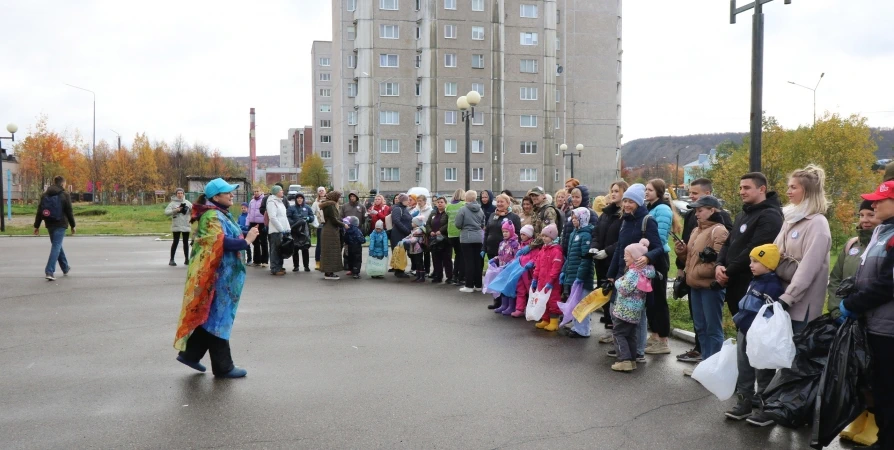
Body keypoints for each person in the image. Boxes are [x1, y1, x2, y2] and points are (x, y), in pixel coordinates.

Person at [747, 165, 832, 428]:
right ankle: (768, 403)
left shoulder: (818, 223)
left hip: (798, 305)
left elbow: (809, 267)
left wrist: (789, 296)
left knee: (793, 361)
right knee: (770, 352)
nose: (788, 191)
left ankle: (785, 410)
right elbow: (775, 253)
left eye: (793, 187)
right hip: (778, 299)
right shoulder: (790, 218)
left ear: (807, 191)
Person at [173, 177, 259, 378]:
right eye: (228, 192)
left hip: (225, 276)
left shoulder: (220, 213)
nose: (231, 195)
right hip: (217, 278)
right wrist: (246, 241)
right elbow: (219, 243)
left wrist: (246, 233)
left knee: (212, 318)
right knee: (220, 319)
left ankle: (190, 354)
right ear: (216, 196)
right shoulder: (212, 215)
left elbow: (229, 235)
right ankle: (223, 367)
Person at [838, 180, 894, 449]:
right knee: (880, 392)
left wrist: (853, 303)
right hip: (876, 324)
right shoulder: (882, 233)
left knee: (888, 393)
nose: (873, 204)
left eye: (879, 201)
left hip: (889, 329)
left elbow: (889, 283)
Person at [725, 244, 785, 422]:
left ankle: (764, 407)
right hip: (744, 331)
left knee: (763, 370)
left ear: (769, 264)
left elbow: (770, 311)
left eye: (756, 262)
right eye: (751, 261)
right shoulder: (754, 280)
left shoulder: (773, 286)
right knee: (744, 368)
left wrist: (759, 329)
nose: (751, 265)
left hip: (760, 335)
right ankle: (744, 403)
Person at [675, 178, 732, 363]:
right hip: (695, 286)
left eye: (700, 211)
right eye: (695, 211)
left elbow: (720, 262)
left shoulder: (720, 231)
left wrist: (696, 272)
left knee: (712, 328)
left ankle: (713, 366)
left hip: (709, 287)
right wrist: (682, 253)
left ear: (712, 210)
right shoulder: (696, 231)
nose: (696, 214)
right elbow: (691, 259)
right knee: (700, 327)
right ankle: (705, 364)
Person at [606, 184, 663, 363]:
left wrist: (647, 257)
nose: (627, 205)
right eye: (625, 201)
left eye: (631, 201)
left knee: (638, 312)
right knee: (619, 310)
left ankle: (638, 350)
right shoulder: (625, 220)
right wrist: (611, 273)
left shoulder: (648, 220)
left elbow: (659, 248)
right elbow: (619, 250)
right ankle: (625, 347)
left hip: (639, 275)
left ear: (639, 203)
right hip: (623, 272)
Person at [716, 173, 784, 317]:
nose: (741, 192)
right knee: (740, 328)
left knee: (751, 330)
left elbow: (755, 249)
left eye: (746, 188)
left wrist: (727, 272)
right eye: (740, 188)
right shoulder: (743, 214)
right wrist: (719, 264)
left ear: (762, 189)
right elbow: (729, 242)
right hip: (733, 281)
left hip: (752, 283)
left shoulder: (770, 215)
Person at [641, 179, 679, 356]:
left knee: (659, 299)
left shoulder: (662, 209)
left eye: (650, 190)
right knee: (651, 299)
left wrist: (646, 253)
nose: (646, 192)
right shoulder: (649, 208)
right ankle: (655, 335)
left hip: (657, 257)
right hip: (647, 256)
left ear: (659, 192)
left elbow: (660, 237)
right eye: (646, 189)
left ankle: (663, 339)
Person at [827, 199, 879, 320]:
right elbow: (836, 279)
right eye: (861, 215)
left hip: (875, 320)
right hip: (845, 315)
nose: (865, 220)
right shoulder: (851, 245)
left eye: (871, 215)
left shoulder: (886, 246)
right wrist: (836, 309)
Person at [610, 239, 656, 372]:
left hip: (625, 310)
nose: (624, 257)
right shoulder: (645, 272)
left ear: (636, 257)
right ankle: (631, 360)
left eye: (627, 255)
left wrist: (618, 281)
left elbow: (624, 289)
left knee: (618, 333)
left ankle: (623, 360)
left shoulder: (633, 273)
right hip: (635, 311)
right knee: (630, 335)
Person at [591, 181, 628, 343]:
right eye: (611, 191)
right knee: (603, 292)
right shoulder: (606, 213)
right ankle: (608, 326)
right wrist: (594, 247)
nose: (613, 194)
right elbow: (597, 233)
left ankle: (616, 330)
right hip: (601, 261)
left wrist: (607, 251)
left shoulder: (624, 215)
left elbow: (623, 240)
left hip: (615, 260)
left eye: (617, 191)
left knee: (615, 297)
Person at [561, 207, 596, 338]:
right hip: (572, 273)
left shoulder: (586, 235)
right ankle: (577, 326)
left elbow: (586, 258)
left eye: (576, 218)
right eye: (573, 218)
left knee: (583, 304)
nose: (574, 221)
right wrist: (564, 270)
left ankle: (583, 329)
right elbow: (570, 256)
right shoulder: (574, 234)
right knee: (575, 302)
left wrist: (580, 276)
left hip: (582, 276)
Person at [33, 175, 76, 280]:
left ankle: (65, 267)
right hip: (60, 223)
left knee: (57, 245)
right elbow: (69, 211)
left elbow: (40, 211)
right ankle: (49, 271)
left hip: (49, 223)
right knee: (56, 246)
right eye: (65, 183)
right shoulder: (65, 195)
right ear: (62, 183)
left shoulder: (45, 195)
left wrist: (37, 226)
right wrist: (73, 225)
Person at [483, 194, 521, 306]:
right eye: (497, 202)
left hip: (507, 252)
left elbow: (517, 233)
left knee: (504, 277)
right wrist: (484, 247)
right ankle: (496, 300)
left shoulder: (513, 217)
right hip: (493, 250)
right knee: (495, 277)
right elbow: (487, 232)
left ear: (508, 203)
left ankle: (506, 303)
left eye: (502, 202)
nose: (499, 204)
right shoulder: (492, 215)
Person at [532, 224, 564, 331]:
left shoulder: (556, 251)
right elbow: (538, 266)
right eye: (543, 236)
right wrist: (535, 279)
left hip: (552, 283)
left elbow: (556, 268)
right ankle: (545, 319)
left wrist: (551, 281)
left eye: (546, 236)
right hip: (541, 281)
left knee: (552, 301)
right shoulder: (543, 250)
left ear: (553, 237)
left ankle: (554, 321)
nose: (544, 238)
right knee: (542, 301)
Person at [455, 190, 485, 293]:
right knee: (477, 262)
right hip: (478, 237)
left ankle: (469, 285)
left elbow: (458, 224)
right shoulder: (480, 210)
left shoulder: (462, 209)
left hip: (466, 237)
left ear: (466, 198)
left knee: (469, 262)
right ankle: (478, 284)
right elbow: (482, 223)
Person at [510, 225, 539, 317]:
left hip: (529, 273)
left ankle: (533, 310)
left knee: (531, 291)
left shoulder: (533, 247)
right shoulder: (521, 245)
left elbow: (537, 257)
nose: (522, 236)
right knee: (520, 290)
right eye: (521, 234)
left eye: (524, 234)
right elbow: (518, 257)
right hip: (520, 272)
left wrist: (531, 263)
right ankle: (519, 309)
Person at [493, 219, 521, 314]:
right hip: (502, 269)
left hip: (510, 269)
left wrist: (510, 264)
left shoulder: (515, 244)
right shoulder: (502, 243)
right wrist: (496, 259)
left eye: (506, 231)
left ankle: (511, 306)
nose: (504, 234)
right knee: (503, 287)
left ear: (511, 231)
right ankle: (504, 305)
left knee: (510, 288)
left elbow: (517, 257)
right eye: (503, 232)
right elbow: (501, 255)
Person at [561, 186, 598, 256]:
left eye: (577, 197)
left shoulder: (590, 214)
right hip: (568, 253)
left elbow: (594, 234)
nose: (574, 199)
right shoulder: (570, 213)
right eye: (573, 197)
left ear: (583, 198)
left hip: (581, 253)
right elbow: (565, 234)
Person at [427, 197, 453, 284]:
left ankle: (449, 277)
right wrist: (430, 231)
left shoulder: (447, 213)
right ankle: (438, 276)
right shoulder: (433, 213)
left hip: (444, 239)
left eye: (441, 202)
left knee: (446, 259)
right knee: (436, 259)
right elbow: (428, 223)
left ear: (445, 203)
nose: (439, 204)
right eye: (438, 202)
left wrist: (440, 231)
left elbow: (449, 223)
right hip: (434, 240)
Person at [319, 191, 344, 280]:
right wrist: (344, 224)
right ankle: (329, 273)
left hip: (327, 230)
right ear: (335, 197)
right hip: (330, 231)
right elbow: (334, 219)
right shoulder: (331, 205)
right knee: (331, 252)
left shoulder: (326, 204)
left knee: (328, 251)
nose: (340, 199)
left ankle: (328, 272)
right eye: (339, 197)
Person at [164, 188, 192, 266]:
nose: (180, 195)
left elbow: (194, 212)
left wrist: (190, 210)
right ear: (176, 194)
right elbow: (166, 212)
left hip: (186, 224)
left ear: (184, 194)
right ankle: (172, 259)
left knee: (186, 242)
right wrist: (175, 210)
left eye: (181, 193)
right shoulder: (172, 203)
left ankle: (187, 259)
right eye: (178, 193)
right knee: (175, 242)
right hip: (176, 225)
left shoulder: (188, 203)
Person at [265, 185, 289, 276]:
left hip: (282, 230)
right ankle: (275, 268)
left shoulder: (280, 202)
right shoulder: (272, 202)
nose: (282, 192)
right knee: (275, 250)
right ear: (276, 192)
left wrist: (287, 228)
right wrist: (280, 229)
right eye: (281, 190)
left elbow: (284, 217)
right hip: (275, 230)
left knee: (280, 249)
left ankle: (280, 266)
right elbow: (273, 218)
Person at [287, 193, 314, 272]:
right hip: (295, 231)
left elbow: (312, 217)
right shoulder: (291, 208)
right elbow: (288, 218)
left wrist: (309, 218)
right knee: (295, 248)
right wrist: (295, 223)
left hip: (304, 231)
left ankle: (306, 266)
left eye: (301, 198)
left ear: (303, 199)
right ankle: (296, 266)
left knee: (305, 248)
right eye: (298, 198)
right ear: (296, 199)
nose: (299, 200)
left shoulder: (307, 207)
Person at [390, 193, 413, 278]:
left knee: (402, 251)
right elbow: (396, 220)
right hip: (398, 234)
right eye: (407, 200)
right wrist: (406, 230)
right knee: (399, 251)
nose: (408, 202)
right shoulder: (397, 209)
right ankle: (399, 271)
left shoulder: (404, 209)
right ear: (403, 201)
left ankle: (401, 269)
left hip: (404, 234)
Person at [446, 189, 466, 285]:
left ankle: (455, 275)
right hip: (460, 232)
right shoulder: (463, 205)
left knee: (457, 254)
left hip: (451, 233)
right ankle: (460, 276)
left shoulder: (449, 206)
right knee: (462, 255)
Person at [247, 187, 268, 267]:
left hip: (262, 223)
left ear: (261, 191)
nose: (256, 193)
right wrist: (247, 223)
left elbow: (265, 213)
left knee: (263, 242)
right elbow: (249, 213)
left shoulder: (264, 200)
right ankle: (256, 260)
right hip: (253, 223)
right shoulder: (251, 201)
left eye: (257, 191)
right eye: (254, 191)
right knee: (255, 242)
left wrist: (265, 223)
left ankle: (265, 261)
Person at [413, 195, 433, 275]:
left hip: (425, 233)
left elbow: (430, 222)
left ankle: (427, 270)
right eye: (418, 201)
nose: (419, 202)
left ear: (425, 201)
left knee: (426, 252)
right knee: (417, 252)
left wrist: (423, 224)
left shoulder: (430, 210)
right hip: (416, 233)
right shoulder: (416, 209)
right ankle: (419, 269)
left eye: (420, 201)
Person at [402, 217, 428, 282]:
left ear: (416, 223)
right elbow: (411, 235)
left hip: (417, 249)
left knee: (419, 263)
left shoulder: (418, 231)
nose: (411, 223)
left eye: (413, 222)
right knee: (417, 262)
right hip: (414, 249)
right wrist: (405, 238)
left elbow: (414, 240)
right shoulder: (415, 230)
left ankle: (421, 277)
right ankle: (418, 276)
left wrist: (405, 240)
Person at [311, 186, 327, 271]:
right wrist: (316, 224)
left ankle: (326, 262)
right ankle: (318, 261)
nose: (321, 192)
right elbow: (311, 214)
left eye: (322, 191)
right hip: (320, 226)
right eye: (320, 191)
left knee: (327, 244)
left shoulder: (328, 201)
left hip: (328, 225)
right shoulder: (315, 203)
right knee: (319, 244)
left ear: (325, 192)